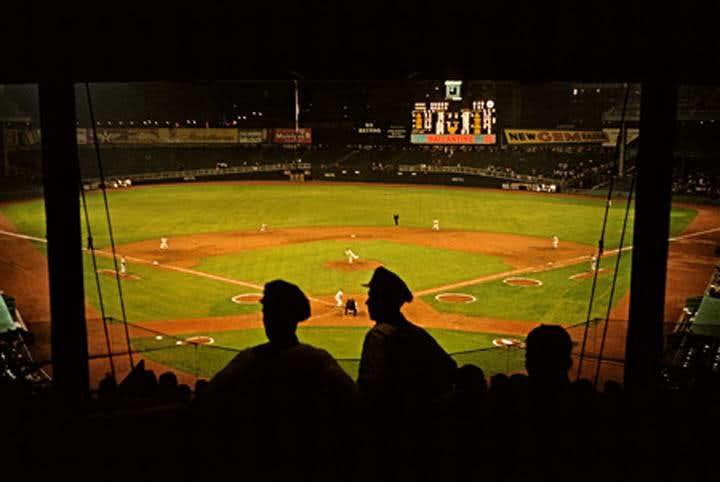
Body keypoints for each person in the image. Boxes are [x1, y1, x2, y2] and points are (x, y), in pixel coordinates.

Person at [199, 279, 357, 479]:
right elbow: (353, 401)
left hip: (258, 463)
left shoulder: (248, 361)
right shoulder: (318, 360)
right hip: (309, 463)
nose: (266, 317)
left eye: (269, 311)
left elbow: (207, 402)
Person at [358, 266, 457, 412]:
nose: (367, 302)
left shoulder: (379, 336)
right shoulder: (417, 334)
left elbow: (369, 391)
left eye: (372, 296)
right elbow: (450, 369)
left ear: (383, 301)